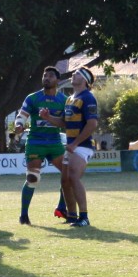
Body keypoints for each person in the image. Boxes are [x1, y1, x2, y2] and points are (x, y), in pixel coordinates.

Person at [41, 67, 98, 227]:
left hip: (82, 145)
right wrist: (48, 117)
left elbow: (92, 124)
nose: (73, 75)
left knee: (73, 176)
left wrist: (75, 143)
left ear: (85, 80)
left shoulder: (88, 97)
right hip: (72, 145)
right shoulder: (70, 98)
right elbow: (64, 123)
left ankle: (84, 217)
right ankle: (72, 216)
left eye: (78, 74)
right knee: (65, 180)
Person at [14, 66, 68, 225]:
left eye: (51, 76)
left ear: (58, 80)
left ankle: (62, 208)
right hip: (36, 142)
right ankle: (23, 216)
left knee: (69, 175)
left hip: (55, 142)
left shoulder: (64, 100)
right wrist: (18, 125)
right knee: (33, 178)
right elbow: (21, 115)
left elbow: (66, 122)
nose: (46, 78)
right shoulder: (33, 98)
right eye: (45, 75)